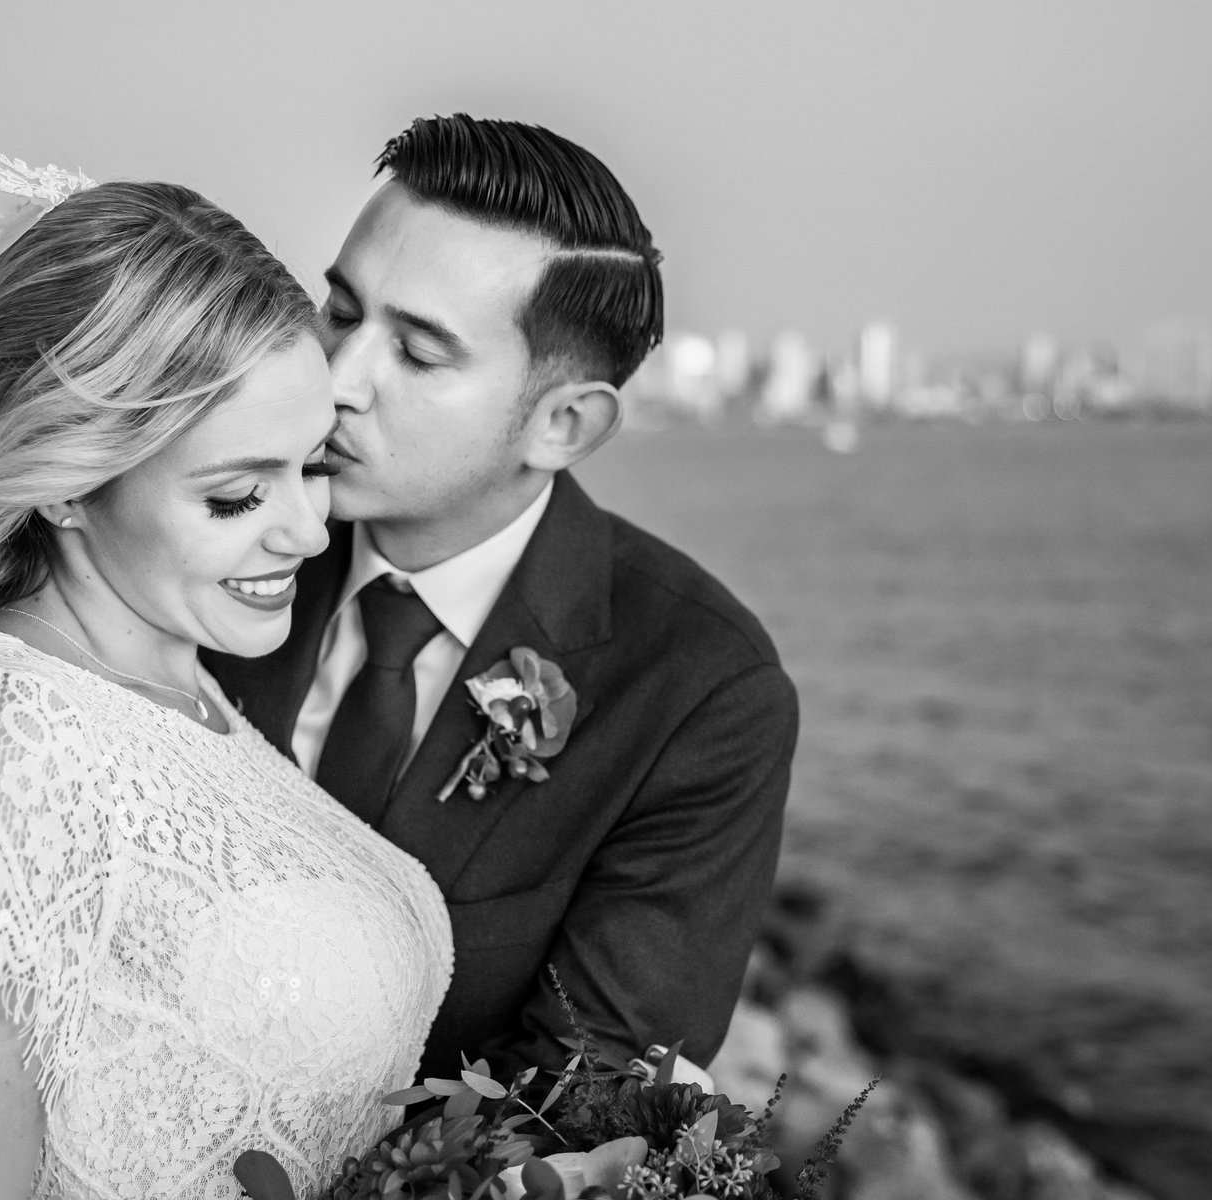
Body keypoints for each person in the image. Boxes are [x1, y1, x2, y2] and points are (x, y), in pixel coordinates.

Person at [0, 181, 452, 1198]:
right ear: (69, 483)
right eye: (236, 496)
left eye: (313, 466)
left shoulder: (186, 683)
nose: (306, 531)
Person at [205, 115, 798, 1082]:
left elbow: (582, 1090)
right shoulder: (202, 532)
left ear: (563, 425)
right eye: (342, 312)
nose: (339, 380)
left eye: (419, 354)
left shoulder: (699, 692)